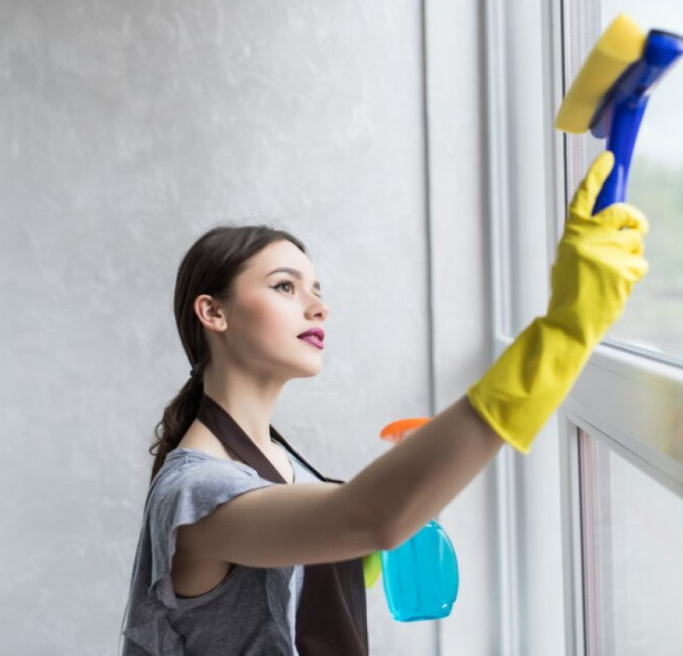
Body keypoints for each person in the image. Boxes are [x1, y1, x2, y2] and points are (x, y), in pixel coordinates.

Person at [119, 151, 648, 656]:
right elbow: (366, 517)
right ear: (213, 313)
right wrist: (564, 331)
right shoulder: (196, 491)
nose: (319, 308)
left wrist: (384, 524)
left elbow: (318, 555)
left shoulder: (280, 458)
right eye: (285, 287)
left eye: (317, 290)